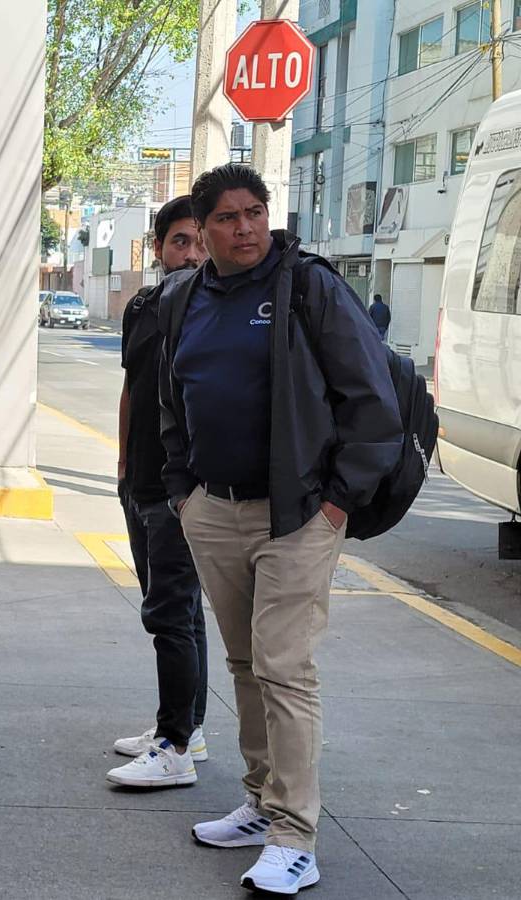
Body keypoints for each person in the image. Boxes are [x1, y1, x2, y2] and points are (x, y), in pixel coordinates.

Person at [159, 164, 401, 895]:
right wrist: (182, 491)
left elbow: (372, 398)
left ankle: (295, 834)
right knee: (243, 664)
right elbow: (174, 400)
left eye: (255, 213)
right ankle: (263, 803)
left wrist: (338, 502)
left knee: (284, 668)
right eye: (229, 218)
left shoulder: (309, 287)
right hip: (214, 509)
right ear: (202, 231)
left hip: (297, 514)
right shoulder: (185, 298)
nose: (246, 229)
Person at [106, 196, 209, 790]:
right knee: (174, 607)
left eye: (200, 240)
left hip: (183, 490)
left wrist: (190, 489)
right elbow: (131, 388)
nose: (191, 254)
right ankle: (185, 727)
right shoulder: (142, 306)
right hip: (139, 482)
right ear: (158, 247)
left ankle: (174, 745)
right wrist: (121, 465)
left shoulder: (217, 311)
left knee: (172, 612)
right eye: (179, 242)